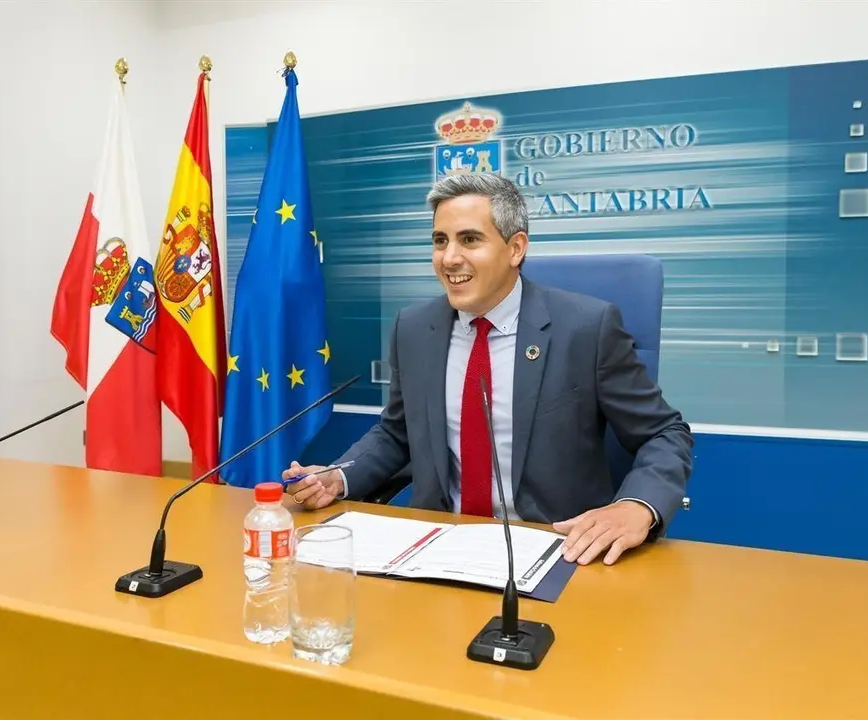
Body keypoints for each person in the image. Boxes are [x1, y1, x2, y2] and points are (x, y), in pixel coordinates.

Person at [283, 172, 693, 566]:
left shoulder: (586, 328)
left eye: (470, 240)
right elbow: (399, 432)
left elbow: (663, 432)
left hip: (556, 547)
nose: (449, 258)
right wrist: (340, 477)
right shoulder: (413, 327)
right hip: (436, 545)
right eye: (440, 241)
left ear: (516, 249)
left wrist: (637, 506)